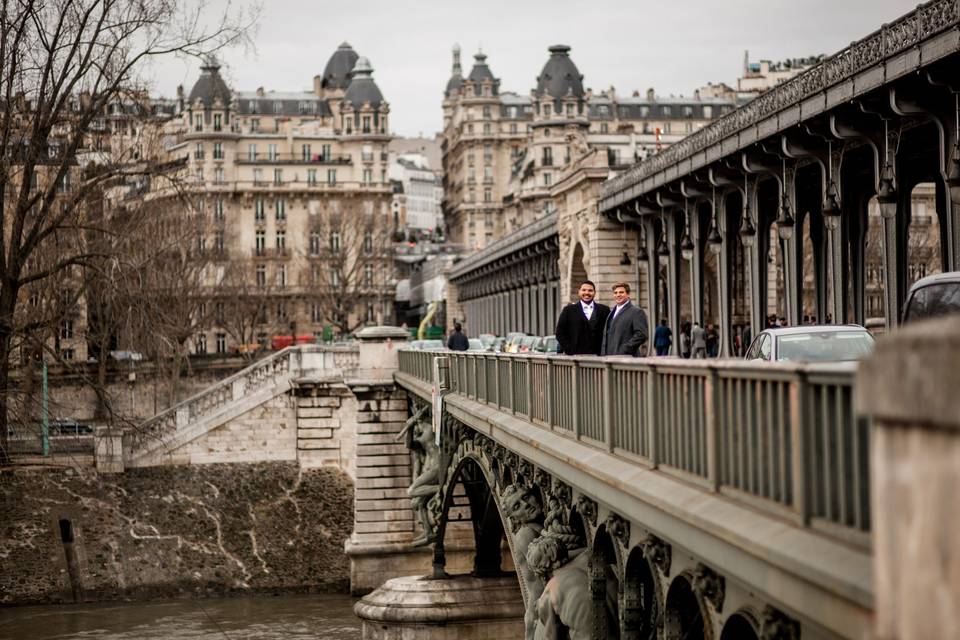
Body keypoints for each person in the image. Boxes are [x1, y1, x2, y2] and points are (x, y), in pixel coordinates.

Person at [555, 280, 611, 356]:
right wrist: (570, 351)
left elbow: (609, 332)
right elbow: (559, 333)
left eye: (590, 290)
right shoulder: (568, 310)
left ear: (594, 293)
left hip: (599, 358)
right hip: (575, 358)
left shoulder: (604, 310)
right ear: (579, 292)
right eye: (584, 290)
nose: (587, 293)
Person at [600, 283, 648, 356]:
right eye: (615, 293)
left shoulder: (636, 312)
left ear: (628, 294)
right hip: (609, 358)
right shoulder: (612, 312)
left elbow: (641, 335)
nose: (618, 295)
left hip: (626, 359)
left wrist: (624, 349)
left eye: (621, 292)